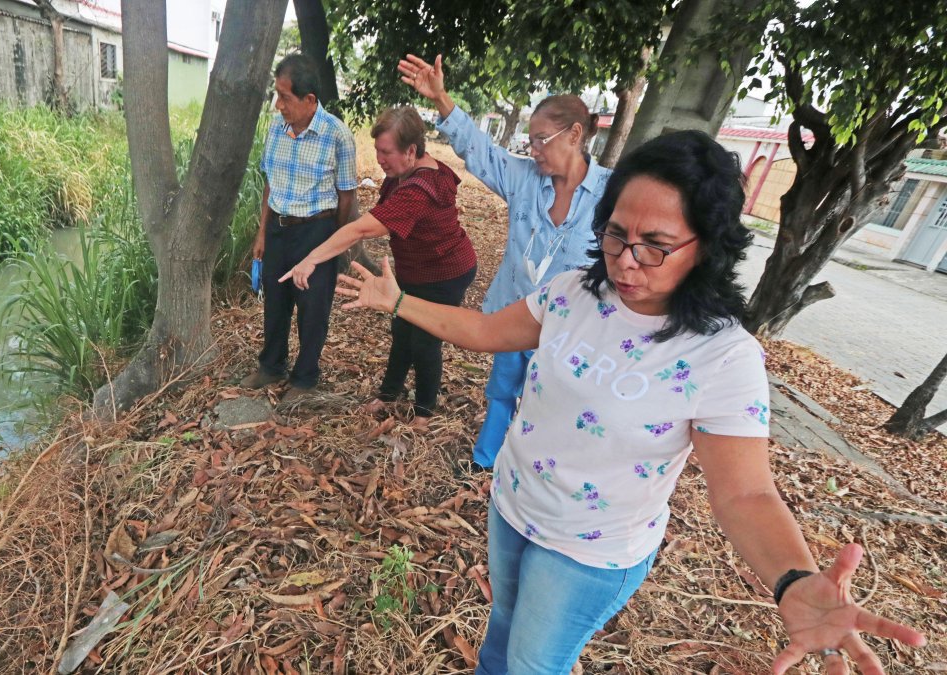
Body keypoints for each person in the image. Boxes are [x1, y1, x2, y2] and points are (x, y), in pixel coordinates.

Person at [334, 131, 927, 674]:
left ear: (707, 246)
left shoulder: (724, 355)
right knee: (498, 643)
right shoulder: (572, 293)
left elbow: (744, 492)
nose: (624, 260)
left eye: (656, 245)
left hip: (591, 550)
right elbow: (489, 333)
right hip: (514, 504)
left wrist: (793, 579)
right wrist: (398, 302)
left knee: (532, 666)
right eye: (616, 233)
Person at [398, 53, 609, 469]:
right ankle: (485, 461)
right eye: (530, 140)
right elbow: (480, 152)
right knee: (502, 391)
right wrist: (441, 99)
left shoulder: (611, 194)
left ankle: (535, 469)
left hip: (573, 330)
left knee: (553, 407)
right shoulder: (524, 178)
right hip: (515, 313)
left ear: (575, 134)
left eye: (540, 140)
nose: (532, 150)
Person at [279, 106, 477, 428]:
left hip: (445, 273)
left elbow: (361, 229)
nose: (381, 160)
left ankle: (425, 411)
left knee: (425, 340)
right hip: (416, 270)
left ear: (411, 150)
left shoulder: (420, 188)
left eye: (386, 152)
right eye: (377, 151)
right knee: (401, 331)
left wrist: (311, 258)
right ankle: (389, 394)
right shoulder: (405, 173)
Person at [240, 53, 358, 404]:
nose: (278, 105)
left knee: (312, 308)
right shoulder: (276, 128)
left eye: (285, 98)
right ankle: (272, 366)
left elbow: (346, 195)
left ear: (309, 100)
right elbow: (270, 183)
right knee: (275, 302)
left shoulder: (337, 136)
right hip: (278, 228)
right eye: (276, 95)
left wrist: (331, 240)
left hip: (316, 231)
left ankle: (305, 378)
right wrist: (262, 232)